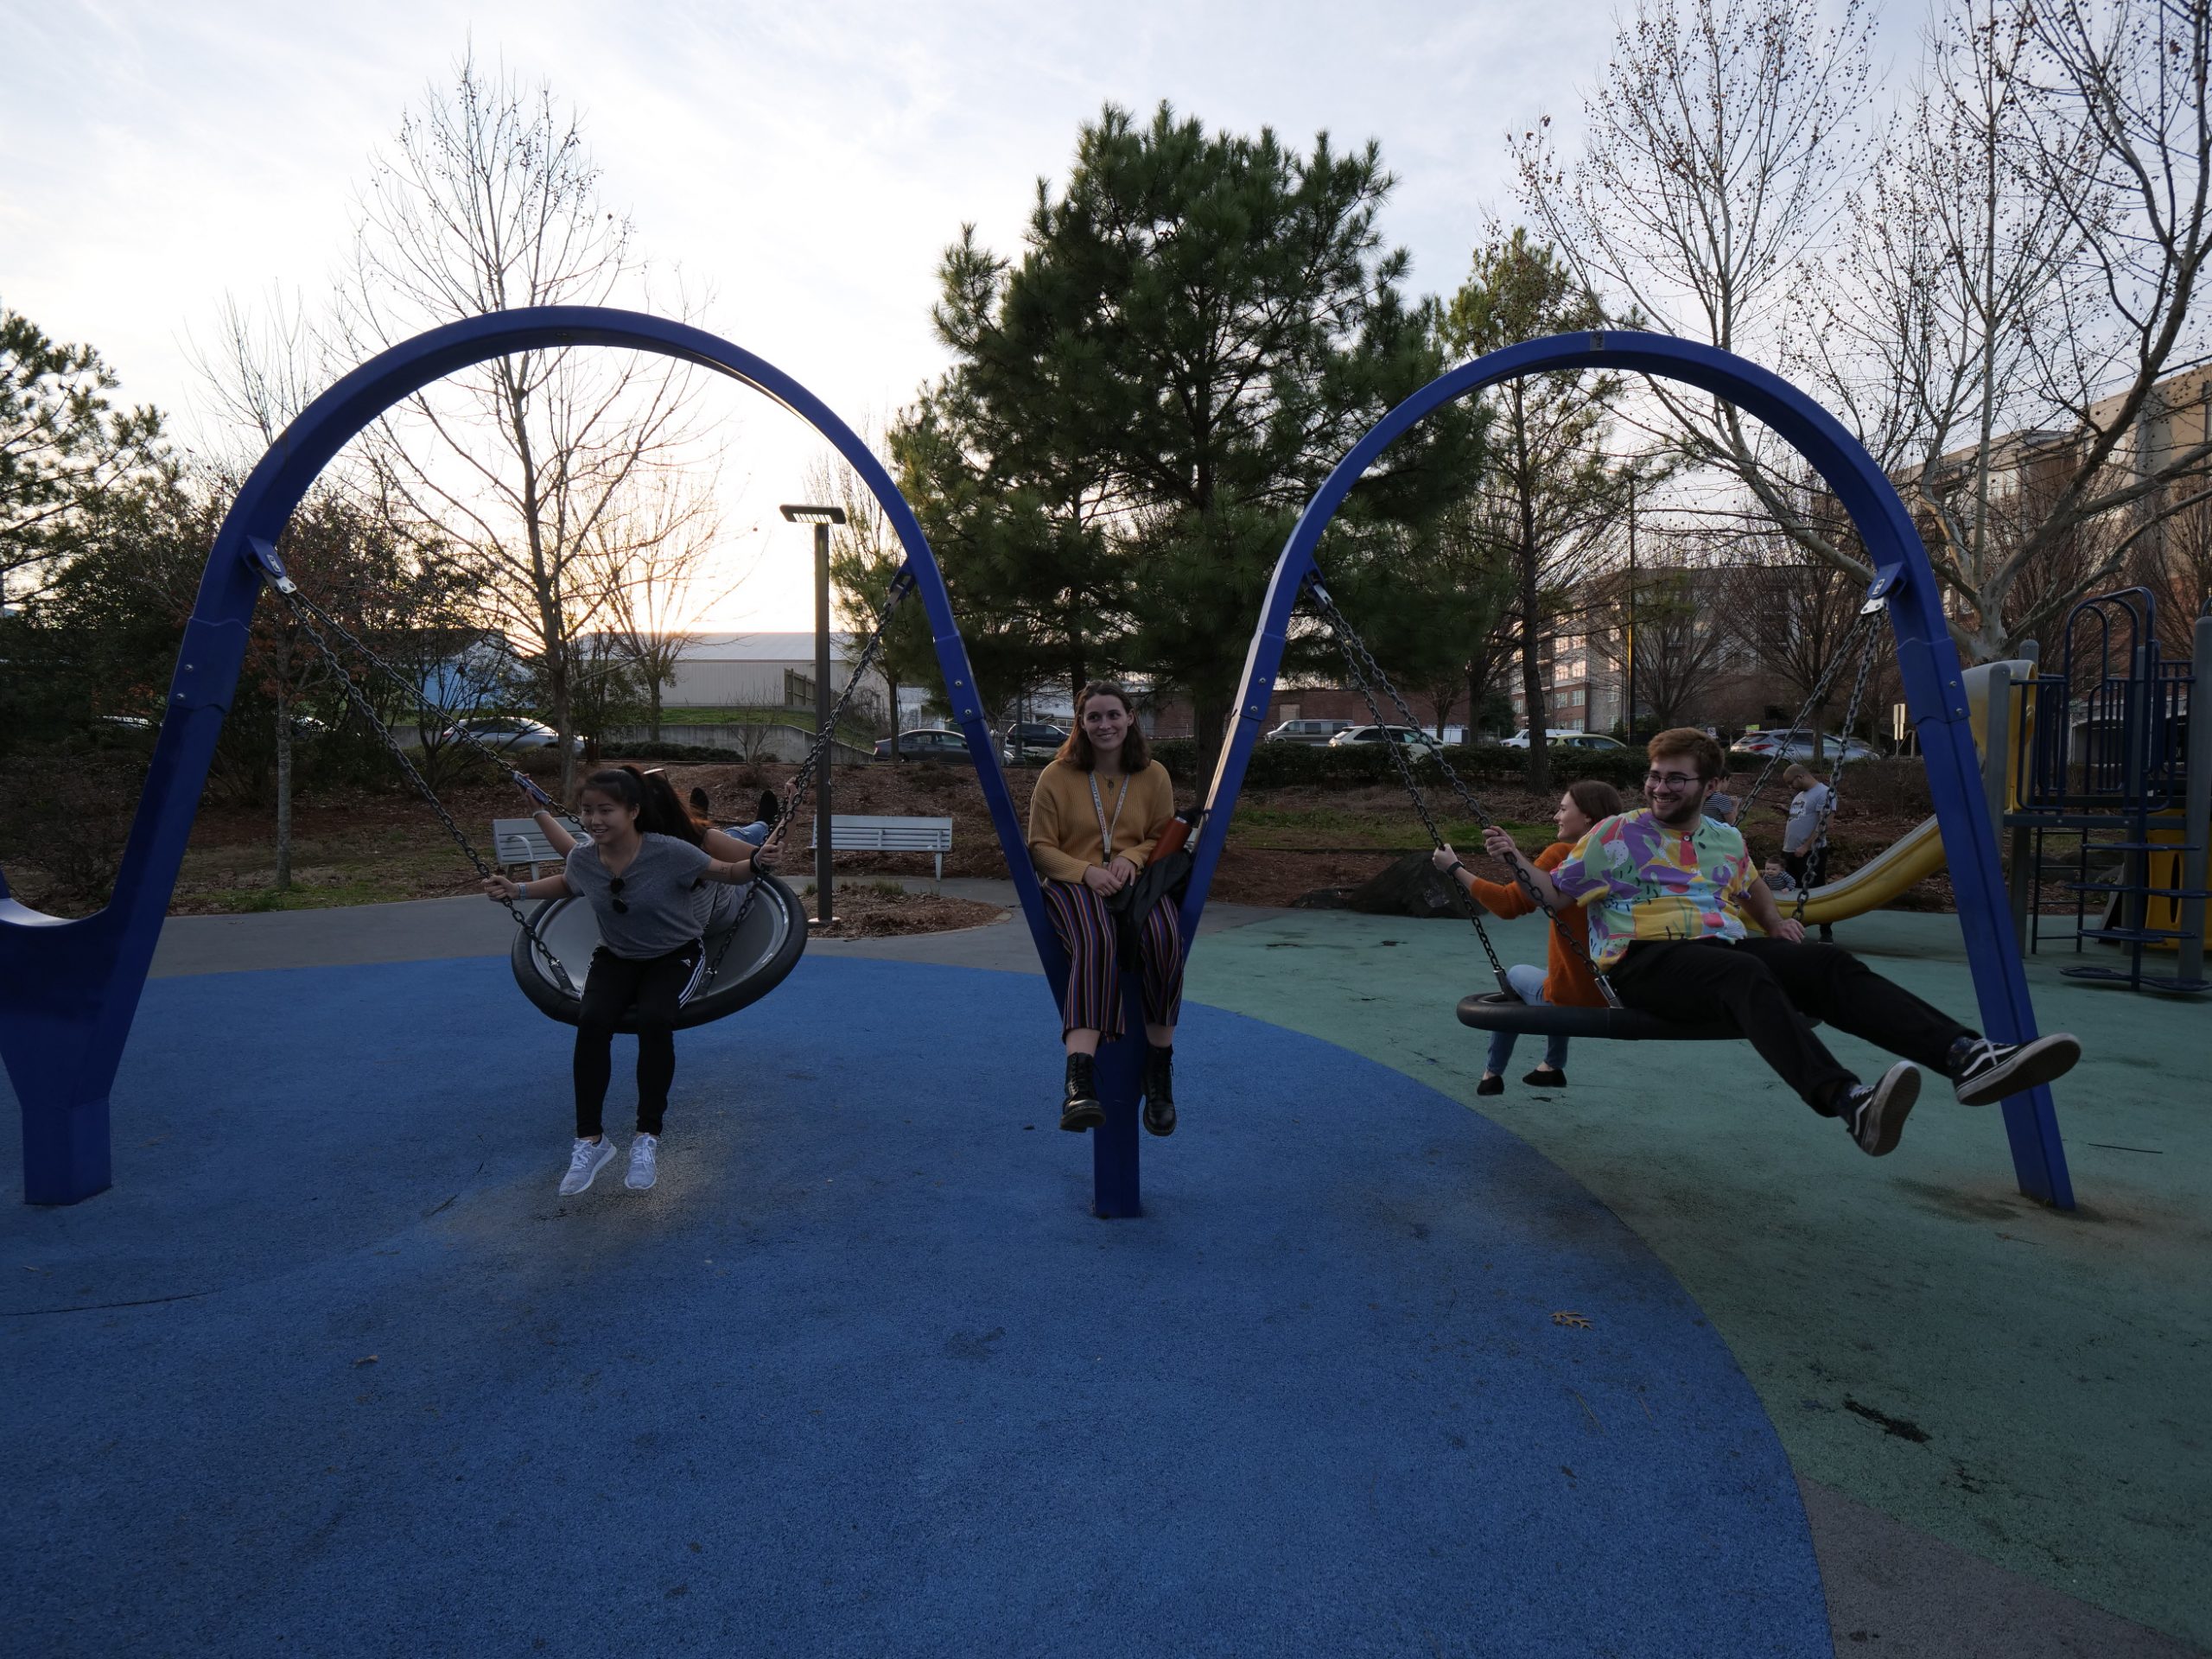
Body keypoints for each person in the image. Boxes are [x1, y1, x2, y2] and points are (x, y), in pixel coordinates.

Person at [1482, 728, 2081, 1158]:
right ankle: (1848, 1101)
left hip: (1719, 950)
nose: (1660, 787)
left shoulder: (1724, 838)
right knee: (1744, 978)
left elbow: (1749, 890)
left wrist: (1776, 926)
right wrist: (1514, 862)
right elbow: (1556, 897)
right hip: (1643, 961)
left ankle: (1965, 1057)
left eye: (1675, 778)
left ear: (1710, 784)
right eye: (1655, 776)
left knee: (1825, 964)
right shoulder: (1616, 834)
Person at [483, 766, 777, 1196]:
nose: (595, 819)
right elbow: (571, 879)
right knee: (592, 1021)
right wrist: (519, 889)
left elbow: (729, 873)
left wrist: (756, 861)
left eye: (606, 810)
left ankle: (647, 1137)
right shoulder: (589, 855)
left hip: (677, 951)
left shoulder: (675, 849)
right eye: (588, 811)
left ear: (636, 811)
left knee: (655, 1020)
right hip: (618, 955)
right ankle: (590, 1141)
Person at [1027, 681, 1182, 1136]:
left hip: (1130, 882)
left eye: (1113, 714)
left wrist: (1132, 859)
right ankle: (1080, 1081)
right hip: (1075, 881)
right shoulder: (1056, 776)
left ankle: (1159, 1072)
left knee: (1165, 936)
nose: (1104, 724)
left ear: (1130, 717)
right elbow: (1039, 847)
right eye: (1093, 717)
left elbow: (1160, 834)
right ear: (1080, 723)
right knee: (1095, 940)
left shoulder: (1154, 774)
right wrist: (1086, 871)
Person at [1430, 779, 1624, 1096]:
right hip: (1619, 990)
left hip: (1575, 996)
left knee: (1518, 978)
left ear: (1588, 817)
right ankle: (1550, 1065)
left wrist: (1454, 869)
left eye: (1563, 809)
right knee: (1552, 979)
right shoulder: (1624, 858)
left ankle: (1492, 1072)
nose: (1555, 816)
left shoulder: (1564, 854)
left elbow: (1509, 905)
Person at [1779, 763, 1835, 940]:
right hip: (1790, 851)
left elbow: (1825, 824)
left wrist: (1806, 846)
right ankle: (1792, 929)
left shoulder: (1824, 793)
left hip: (1811, 853)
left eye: (1791, 783)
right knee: (1790, 890)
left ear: (1800, 777)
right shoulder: (1800, 796)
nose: (1790, 787)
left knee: (1817, 890)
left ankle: (1826, 931)